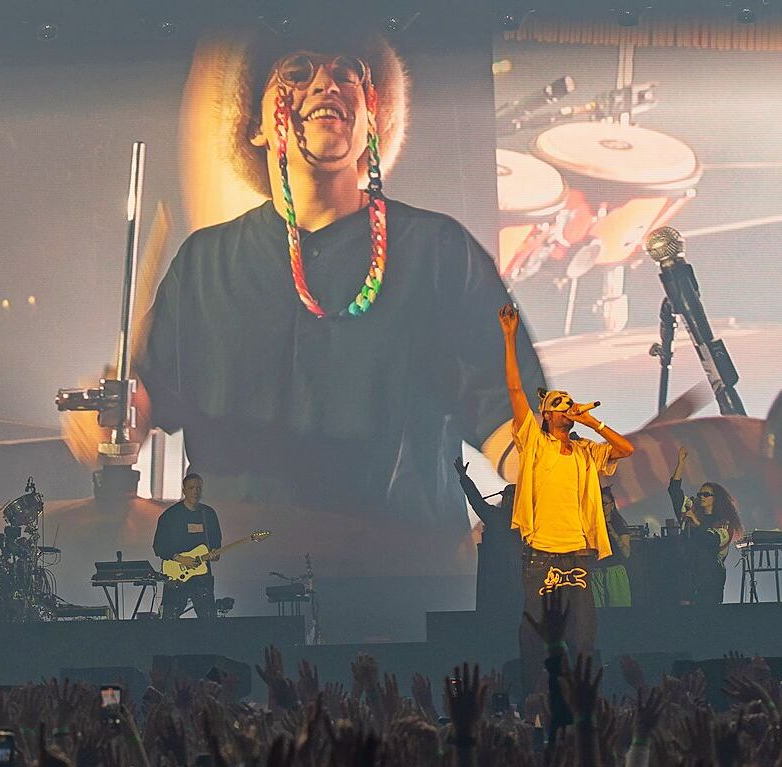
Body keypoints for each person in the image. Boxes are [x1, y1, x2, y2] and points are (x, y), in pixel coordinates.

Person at [96, 25, 544, 639]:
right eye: (299, 69)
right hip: (241, 595)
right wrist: (116, 415)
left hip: (407, 593)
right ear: (254, 124)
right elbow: (144, 401)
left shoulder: (438, 252)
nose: (325, 82)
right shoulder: (206, 263)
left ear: (373, 119)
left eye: (348, 70)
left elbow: (507, 413)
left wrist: (548, 480)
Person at [499, 302, 634, 696]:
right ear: (546, 415)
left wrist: (593, 422)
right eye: (560, 405)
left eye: (569, 406)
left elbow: (625, 450)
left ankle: (584, 701)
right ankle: (534, 700)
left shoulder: (585, 451)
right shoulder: (534, 443)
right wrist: (509, 338)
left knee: (583, 639)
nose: (567, 410)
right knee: (536, 635)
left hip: (577, 554)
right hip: (541, 552)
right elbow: (514, 389)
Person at [668, 446, 744, 605]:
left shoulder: (724, 522)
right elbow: (675, 491)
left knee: (708, 614)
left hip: (711, 575)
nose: (701, 497)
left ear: (716, 498)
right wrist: (681, 463)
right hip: (688, 571)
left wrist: (696, 521)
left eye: (706, 494)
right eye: (699, 494)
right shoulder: (692, 509)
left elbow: (712, 540)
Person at [453, 456, 523, 625]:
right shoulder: (514, 519)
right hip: (506, 574)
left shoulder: (499, 517)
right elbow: (476, 501)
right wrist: (464, 478)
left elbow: (476, 501)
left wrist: (464, 478)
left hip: (504, 574)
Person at [153, 473, 223, 619]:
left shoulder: (208, 514)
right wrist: (179, 558)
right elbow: (158, 545)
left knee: (208, 618)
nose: (196, 491)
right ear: (184, 490)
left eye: (198, 488)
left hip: (202, 576)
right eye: (191, 488)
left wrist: (215, 553)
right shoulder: (170, 515)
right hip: (176, 575)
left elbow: (216, 541)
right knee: (170, 618)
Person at [591, 485, 632, 608]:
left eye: (605, 503)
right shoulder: (592, 525)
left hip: (614, 573)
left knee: (618, 610)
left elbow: (626, 553)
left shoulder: (619, 525)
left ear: (612, 505)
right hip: (596, 573)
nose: (602, 507)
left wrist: (613, 533)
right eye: (600, 503)